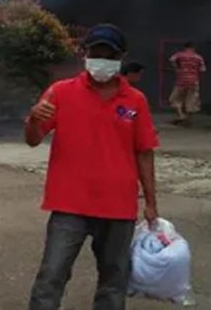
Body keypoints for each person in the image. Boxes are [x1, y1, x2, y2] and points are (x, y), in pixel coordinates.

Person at [24, 24, 159, 310]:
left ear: (120, 57)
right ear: (84, 53)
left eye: (107, 53)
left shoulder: (135, 101)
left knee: (113, 282)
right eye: (94, 51)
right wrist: (33, 119)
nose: (100, 58)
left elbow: (144, 153)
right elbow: (33, 140)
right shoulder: (60, 92)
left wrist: (151, 203)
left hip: (118, 206)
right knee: (51, 278)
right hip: (69, 204)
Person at [170, 42, 206, 125]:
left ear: (184, 48)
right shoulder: (198, 57)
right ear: (193, 48)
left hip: (181, 81)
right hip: (194, 82)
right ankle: (189, 120)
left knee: (175, 99)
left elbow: (172, 59)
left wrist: (177, 67)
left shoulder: (179, 55)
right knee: (191, 101)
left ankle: (180, 115)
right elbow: (203, 69)